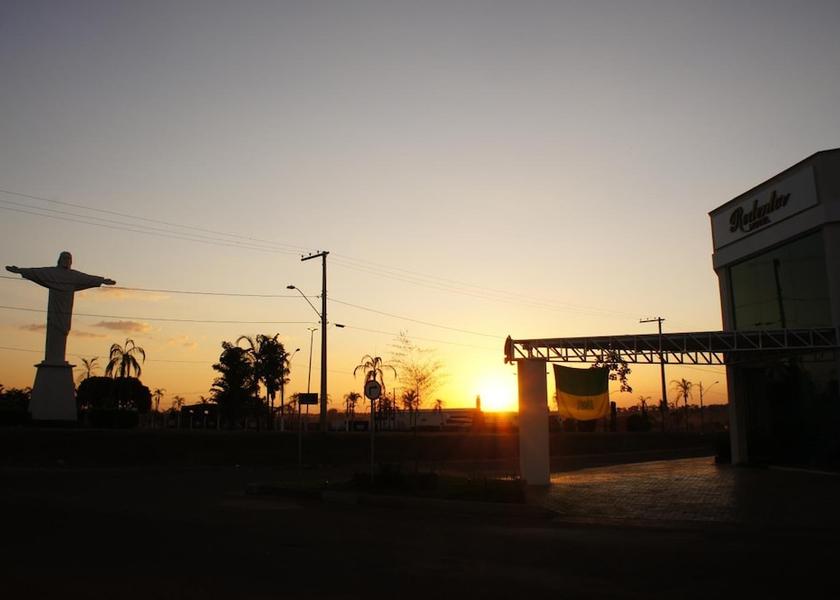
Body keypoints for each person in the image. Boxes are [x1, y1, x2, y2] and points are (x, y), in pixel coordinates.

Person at [6, 251, 116, 364]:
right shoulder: (52, 273)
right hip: (54, 309)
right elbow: (37, 272)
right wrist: (20, 270)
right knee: (53, 330)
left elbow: (87, 278)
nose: (66, 260)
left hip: (66, 310)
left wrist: (102, 281)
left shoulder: (73, 276)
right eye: (64, 258)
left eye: (69, 258)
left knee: (63, 331)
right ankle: (52, 361)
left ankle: (58, 360)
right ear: (59, 260)